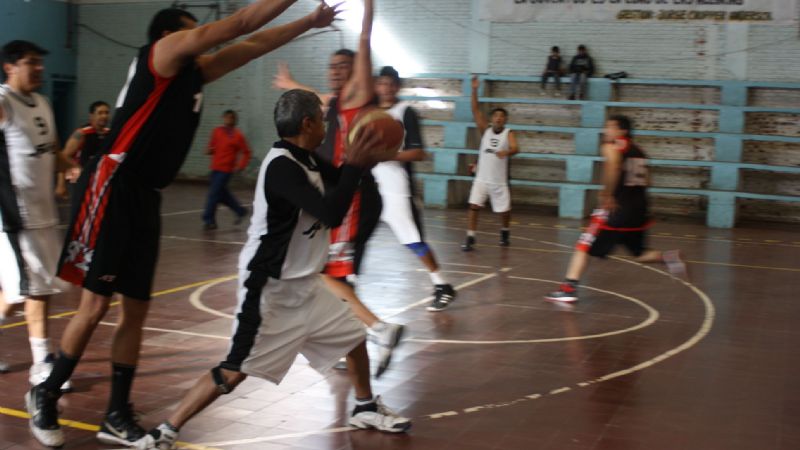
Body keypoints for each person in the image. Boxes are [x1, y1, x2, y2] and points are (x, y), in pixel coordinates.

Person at [26, 2, 340, 447]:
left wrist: (309, 22)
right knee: (95, 306)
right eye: (194, 30)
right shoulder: (161, 55)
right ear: (171, 35)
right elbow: (242, 23)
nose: (205, 37)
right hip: (114, 183)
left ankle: (116, 412)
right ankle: (47, 390)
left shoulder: (194, 73)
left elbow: (251, 45)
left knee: (135, 309)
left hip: (146, 195)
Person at [132, 89, 411, 450]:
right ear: (307, 123)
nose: (326, 126)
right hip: (269, 290)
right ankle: (165, 432)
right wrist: (356, 166)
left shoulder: (306, 158)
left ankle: (364, 406)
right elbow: (330, 214)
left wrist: (365, 161)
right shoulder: (281, 165)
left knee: (353, 336)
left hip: (305, 286)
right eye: (322, 120)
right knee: (233, 371)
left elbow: (343, 178)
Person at [273, 0, 407, 376]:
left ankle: (379, 329)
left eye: (342, 66)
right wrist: (289, 85)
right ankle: (353, 346)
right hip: (345, 194)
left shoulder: (357, 93)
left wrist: (367, 6)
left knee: (326, 275)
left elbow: (364, 38)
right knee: (331, 276)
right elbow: (315, 95)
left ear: (355, 73)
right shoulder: (334, 102)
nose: (335, 71)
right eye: (332, 66)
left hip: (354, 197)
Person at [0, 40, 79, 392]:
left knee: (24, 294)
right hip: (13, 217)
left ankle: (41, 358)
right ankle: (41, 364)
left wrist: (73, 169)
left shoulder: (43, 103)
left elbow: (54, 152)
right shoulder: (3, 102)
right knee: (34, 290)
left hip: (44, 214)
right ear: (10, 67)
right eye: (32, 63)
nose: (40, 69)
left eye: (40, 63)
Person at [545, 115, 685, 303]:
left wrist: (607, 194)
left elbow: (614, 166)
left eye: (610, 127)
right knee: (640, 253)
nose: (606, 131)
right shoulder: (639, 151)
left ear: (623, 131)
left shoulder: (612, 147)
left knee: (583, 247)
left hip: (616, 209)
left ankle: (568, 289)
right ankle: (670, 258)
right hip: (638, 210)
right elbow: (648, 181)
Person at [373, 66, 456, 312]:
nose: (386, 88)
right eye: (382, 83)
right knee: (353, 236)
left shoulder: (405, 112)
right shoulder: (369, 112)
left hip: (397, 186)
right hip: (370, 184)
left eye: (390, 84)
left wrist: (388, 155)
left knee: (413, 240)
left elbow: (419, 152)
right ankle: (346, 284)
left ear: (397, 87)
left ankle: (442, 285)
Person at [462, 75, 519, 254]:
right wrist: (473, 90)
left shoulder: (508, 133)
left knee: (504, 211)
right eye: (496, 116)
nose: (498, 119)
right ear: (492, 119)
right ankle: (470, 237)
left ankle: (505, 231)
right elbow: (475, 109)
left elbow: (516, 147)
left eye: (502, 117)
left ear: (505, 120)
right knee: (473, 206)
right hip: (482, 179)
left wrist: (507, 151)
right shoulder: (485, 130)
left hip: (499, 180)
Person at [202, 109, 251, 230]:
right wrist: (210, 150)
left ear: (235, 120)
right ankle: (240, 210)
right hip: (215, 168)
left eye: (231, 117)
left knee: (213, 194)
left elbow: (247, 152)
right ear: (223, 118)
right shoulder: (216, 131)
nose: (229, 119)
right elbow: (212, 146)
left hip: (226, 170)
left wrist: (241, 166)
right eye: (227, 117)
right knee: (221, 194)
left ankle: (209, 220)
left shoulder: (238, 135)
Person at [56, 100, 110, 199]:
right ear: (92, 115)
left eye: (106, 113)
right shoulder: (81, 133)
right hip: (79, 176)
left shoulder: (109, 133)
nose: (104, 116)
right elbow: (63, 156)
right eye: (100, 113)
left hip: (98, 178)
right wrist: (61, 184)